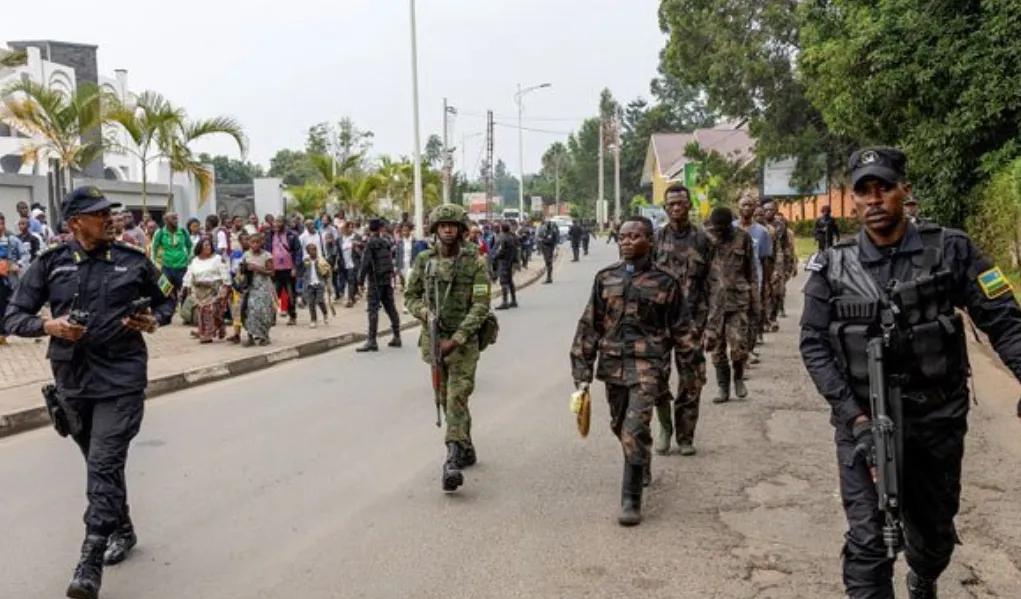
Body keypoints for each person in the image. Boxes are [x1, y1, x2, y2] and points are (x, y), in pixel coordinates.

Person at [800, 147, 1021, 599]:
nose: (875, 199)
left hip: (936, 419)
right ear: (853, 201)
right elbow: (813, 344)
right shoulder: (832, 266)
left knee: (934, 533)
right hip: (863, 422)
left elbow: (1002, 317)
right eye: (864, 191)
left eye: (884, 187)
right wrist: (853, 417)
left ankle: (924, 573)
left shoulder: (951, 249)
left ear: (905, 191)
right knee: (868, 542)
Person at [3, 186, 173, 599]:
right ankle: (124, 529)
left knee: (102, 462)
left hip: (122, 376)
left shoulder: (134, 260)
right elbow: (12, 315)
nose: (110, 220)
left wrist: (153, 320)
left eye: (110, 213)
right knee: (102, 465)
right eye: (100, 215)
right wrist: (50, 327)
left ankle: (89, 559)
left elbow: (168, 301)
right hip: (73, 381)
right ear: (75, 223)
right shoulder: (49, 265)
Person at [570, 215, 693, 526]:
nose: (627, 241)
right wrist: (581, 373)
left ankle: (631, 500)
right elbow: (590, 326)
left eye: (635, 236)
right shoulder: (605, 278)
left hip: (648, 366)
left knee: (634, 428)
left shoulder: (666, 282)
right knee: (618, 425)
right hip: (612, 365)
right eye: (623, 236)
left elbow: (682, 330)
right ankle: (641, 459)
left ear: (649, 242)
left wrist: (691, 370)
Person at [404, 203, 493, 492]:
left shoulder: (475, 262)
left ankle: (451, 460)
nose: (447, 229)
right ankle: (464, 447)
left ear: (461, 229)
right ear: (434, 229)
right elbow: (410, 296)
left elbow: (481, 305)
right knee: (445, 398)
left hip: (463, 343)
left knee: (457, 396)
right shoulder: (423, 260)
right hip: (434, 339)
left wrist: (456, 339)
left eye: (452, 225)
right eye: (442, 225)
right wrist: (425, 314)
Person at [652, 184, 711, 456]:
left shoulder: (703, 240)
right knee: (656, 378)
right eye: (671, 204)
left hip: (692, 323)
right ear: (665, 208)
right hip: (659, 323)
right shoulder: (654, 239)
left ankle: (686, 436)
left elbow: (716, 284)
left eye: (681, 203)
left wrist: (712, 326)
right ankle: (665, 427)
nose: (676, 208)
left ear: (689, 206)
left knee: (691, 381)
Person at [705, 207, 756, 404]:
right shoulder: (707, 239)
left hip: (738, 300)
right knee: (716, 349)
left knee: (738, 345)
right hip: (713, 305)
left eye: (722, 228)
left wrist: (755, 298)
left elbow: (751, 269)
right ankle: (723, 386)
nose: (718, 231)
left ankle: (738, 379)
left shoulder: (743, 238)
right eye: (716, 228)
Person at [356, 219, 401, 351]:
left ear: (370, 229)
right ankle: (397, 336)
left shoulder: (370, 243)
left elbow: (365, 263)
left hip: (375, 281)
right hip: (386, 280)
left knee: (373, 310)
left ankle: (372, 341)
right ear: (380, 228)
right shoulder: (386, 242)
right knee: (390, 308)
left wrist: (360, 281)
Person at [182, 238, 231, 344]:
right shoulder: (194, 261)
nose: (208, 247)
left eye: (209, 245)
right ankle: (212, 328)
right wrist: (187, 288)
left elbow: (224, 274)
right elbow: (189, 275)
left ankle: (207, 334)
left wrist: (225, 287)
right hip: (199, 290)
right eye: (205, 245)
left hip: (214, 288)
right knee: (202, 311)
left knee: (209, 310)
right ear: (200, 248)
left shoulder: (217, 259)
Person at [240, 232, 275, 346]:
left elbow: (272, 272)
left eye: (257, 242)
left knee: (263, 311)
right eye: (252, 242)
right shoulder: (246, 255)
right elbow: (241, 270)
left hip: (263, 285)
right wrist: (244, 268)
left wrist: (257, 268)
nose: (255, 245)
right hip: (251, 285)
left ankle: (264, 336)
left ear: (261, 243)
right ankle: (250, 336)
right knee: (250, 310)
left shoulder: (266, 255)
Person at [265, 216, 300, 326]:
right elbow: (267, 252)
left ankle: (292, 316)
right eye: (275, 222)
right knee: (274, 294)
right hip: (275, 270)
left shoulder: (292, 235)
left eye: (279, 222)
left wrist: (295, 267)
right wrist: (269, 268)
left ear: (284, 223)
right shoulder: (270, 235)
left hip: (289, 269)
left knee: (290, 294)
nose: (276, 224)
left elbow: (298, 252)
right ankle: (272, 318)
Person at [150, 212, 193, 303]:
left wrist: (189, 259)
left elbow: (190, 246)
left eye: (176, 218)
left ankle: (183, 314)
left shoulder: (183, 231)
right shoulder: (160, 232)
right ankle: (169, 312)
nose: (176, 221)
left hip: (182, 267)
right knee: (164, 291)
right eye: (173, 218)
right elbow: (154, 248)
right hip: (166, 267)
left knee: (184, 292)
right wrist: (154, 263)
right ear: (166, 220)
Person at [0, 213, 23, 345]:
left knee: (4, 306)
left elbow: (25, 255)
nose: (0, 226)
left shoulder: (12, 241)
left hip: (6, 280)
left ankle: (3, 334)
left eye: (2, 223)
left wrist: (17, 265)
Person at [301, 242, 331, 328]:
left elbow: (327, 272)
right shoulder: (306, 261)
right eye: (311, 250)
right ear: (308, 252)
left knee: (320, 300)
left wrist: (327, 283)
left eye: (315, 249)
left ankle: (325, 313)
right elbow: (303, 273)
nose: (313, 251)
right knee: (311, 303)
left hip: (319, 284)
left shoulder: (321, 260)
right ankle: (313, 320)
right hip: (309, 284)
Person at [537, 219, 559, 283]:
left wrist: (542, 240)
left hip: (548, 250)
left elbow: (549, 241)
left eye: (546, 224)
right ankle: (549, 277)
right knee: (548, 263)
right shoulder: (549, 231)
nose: (545, 226)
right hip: (547, 249)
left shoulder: (551, 232)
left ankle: (549, 278)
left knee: (548, 263)